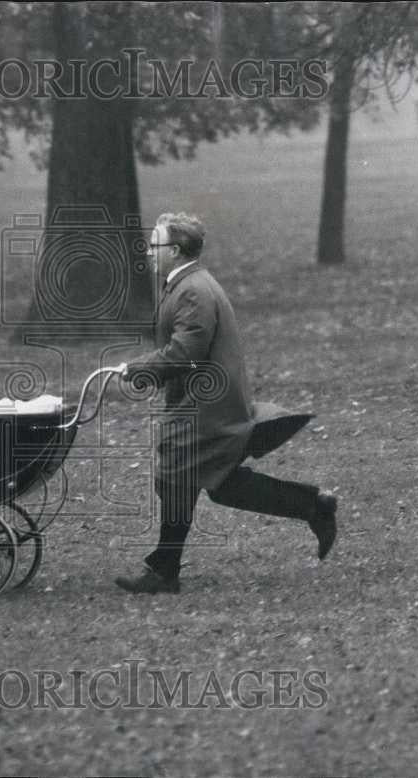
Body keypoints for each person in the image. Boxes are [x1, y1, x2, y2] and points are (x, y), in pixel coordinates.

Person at [114, 212, 338, 594]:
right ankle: (313, 505)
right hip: (201, 404)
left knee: (179, 477)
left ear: (177, 251)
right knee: (215, 484)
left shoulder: (193, 290)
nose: (149, 252)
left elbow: (186, 351)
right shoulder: (185, 284)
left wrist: (138, 370)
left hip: (207, 409)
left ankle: (165, 571)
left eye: (156, 245)